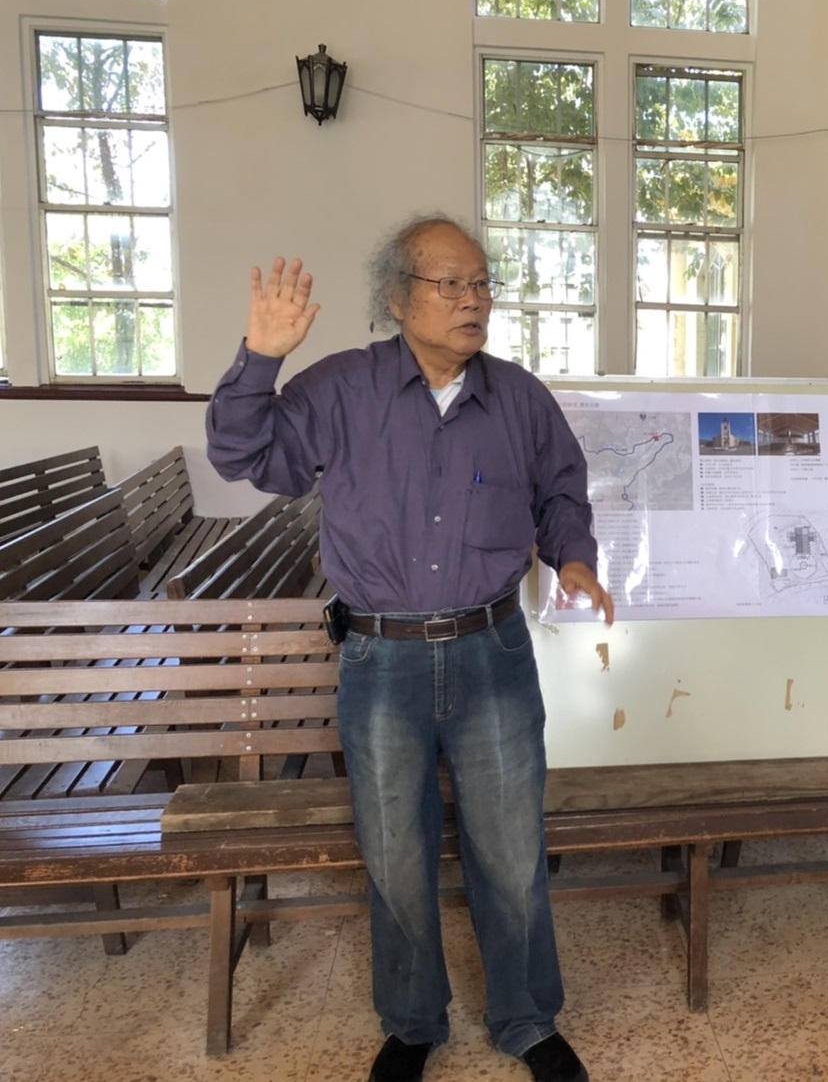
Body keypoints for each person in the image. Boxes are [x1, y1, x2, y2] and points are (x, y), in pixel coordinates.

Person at [206, 213, 611, 1082]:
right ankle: (414, 1024)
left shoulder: (519, 399)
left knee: (512, 851)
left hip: (492, 652)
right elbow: (244, 456)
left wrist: (571, 555)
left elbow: (561, 490)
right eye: (450, 283)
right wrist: (260, 359)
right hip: (380, 661)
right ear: (398, 298)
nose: (473, 300)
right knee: (395, 852)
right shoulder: (341, 389)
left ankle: (528, 1021)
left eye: (482, 283)